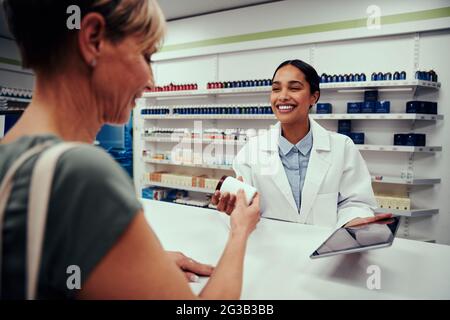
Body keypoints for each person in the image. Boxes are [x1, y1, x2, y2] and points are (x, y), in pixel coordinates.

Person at [0, 0, 260, 299]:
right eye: (146, 55)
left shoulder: (11, 158)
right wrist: (240, 231)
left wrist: (127, 266)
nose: (150, 81)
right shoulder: (80, 172)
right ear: (93, 39)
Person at [212, 59, 391, 228]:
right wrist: (233, 210)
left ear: (314, 97)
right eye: (276, 89)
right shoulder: (252, 151)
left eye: (294, 88)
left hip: (324, 252)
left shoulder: (342, 147)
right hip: (269, 250)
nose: (282, 96)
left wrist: (354, 221)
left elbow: (355, 202)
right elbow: (244, 206)